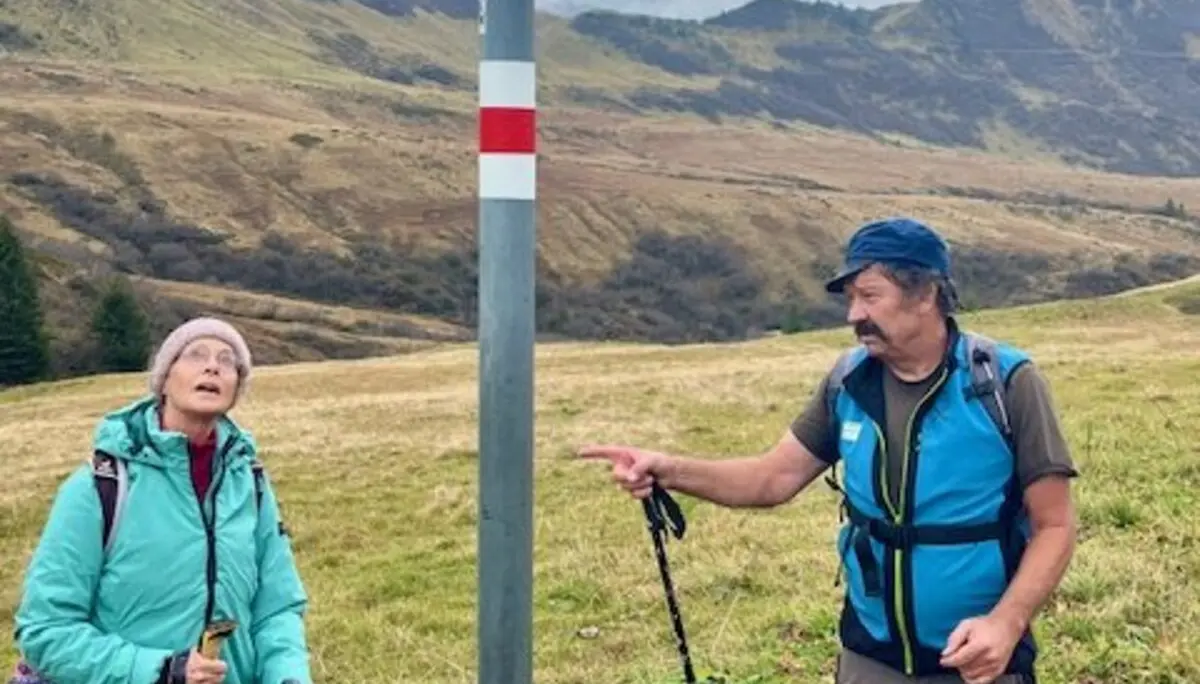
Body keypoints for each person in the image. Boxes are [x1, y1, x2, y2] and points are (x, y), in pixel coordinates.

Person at [580, 218, 1078, 684]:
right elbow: (771, 479)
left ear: (926, 294)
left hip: (980, 658)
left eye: (869, 296)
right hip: (869, 653)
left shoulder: (1004, 382)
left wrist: (1006, 624)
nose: (853, 314)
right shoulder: (848, 382)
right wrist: (669, 469)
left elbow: (1054, 525)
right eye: (851, 298)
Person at [10, 317, 311, 684]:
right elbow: (45, 631)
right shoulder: (100, 487)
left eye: (228, 360)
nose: (213, 365)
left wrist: (287, 676)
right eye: (195, 354)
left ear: (236, 388)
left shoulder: (250, 483)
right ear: (164, 379)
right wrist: (159, 670)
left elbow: (276, 608)